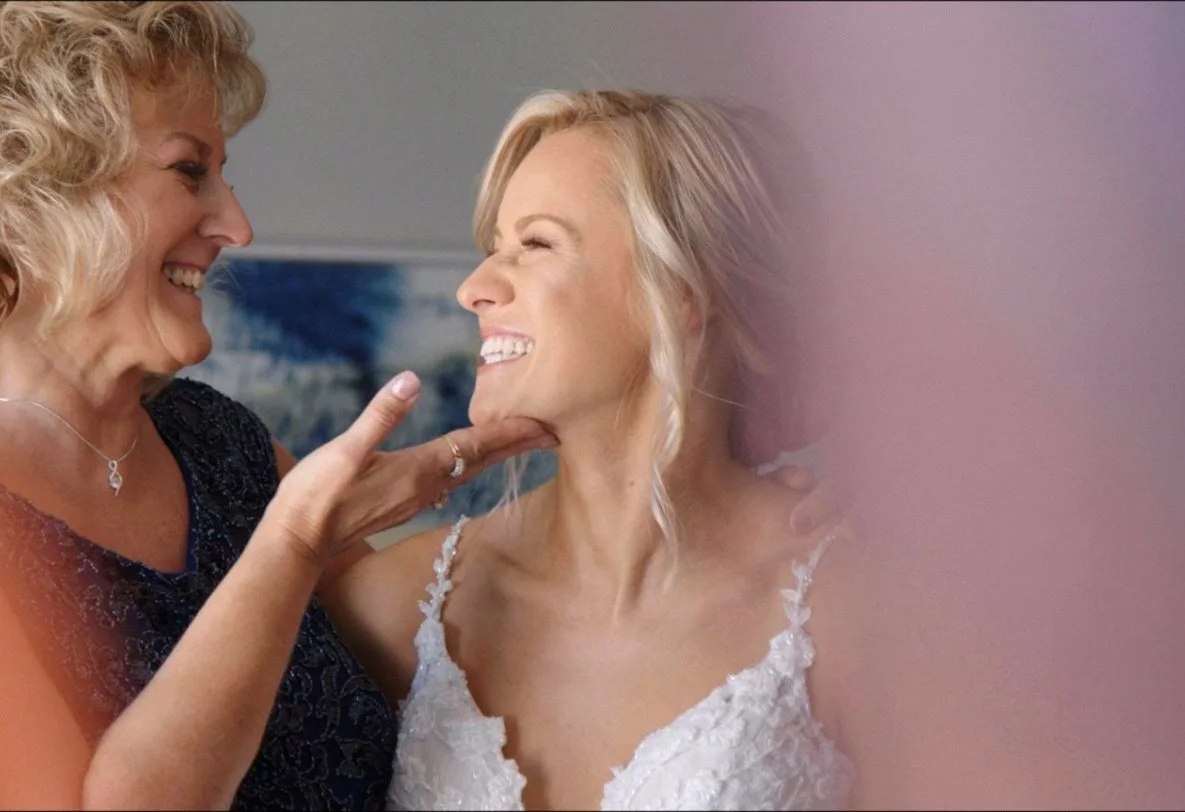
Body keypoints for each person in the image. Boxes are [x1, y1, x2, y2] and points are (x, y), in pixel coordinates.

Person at [0, 3, 846, 809]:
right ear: (35, 192)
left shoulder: (221, 450)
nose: (234, 222)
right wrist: (289, 540)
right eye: (190, 171)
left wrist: (760, 511)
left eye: (532, 243)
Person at [328, 90, 859, 810]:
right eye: (492, 251)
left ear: (681, 289)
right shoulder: (393, 607)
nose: (474, 288)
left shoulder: (862, 614)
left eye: (535, 245)